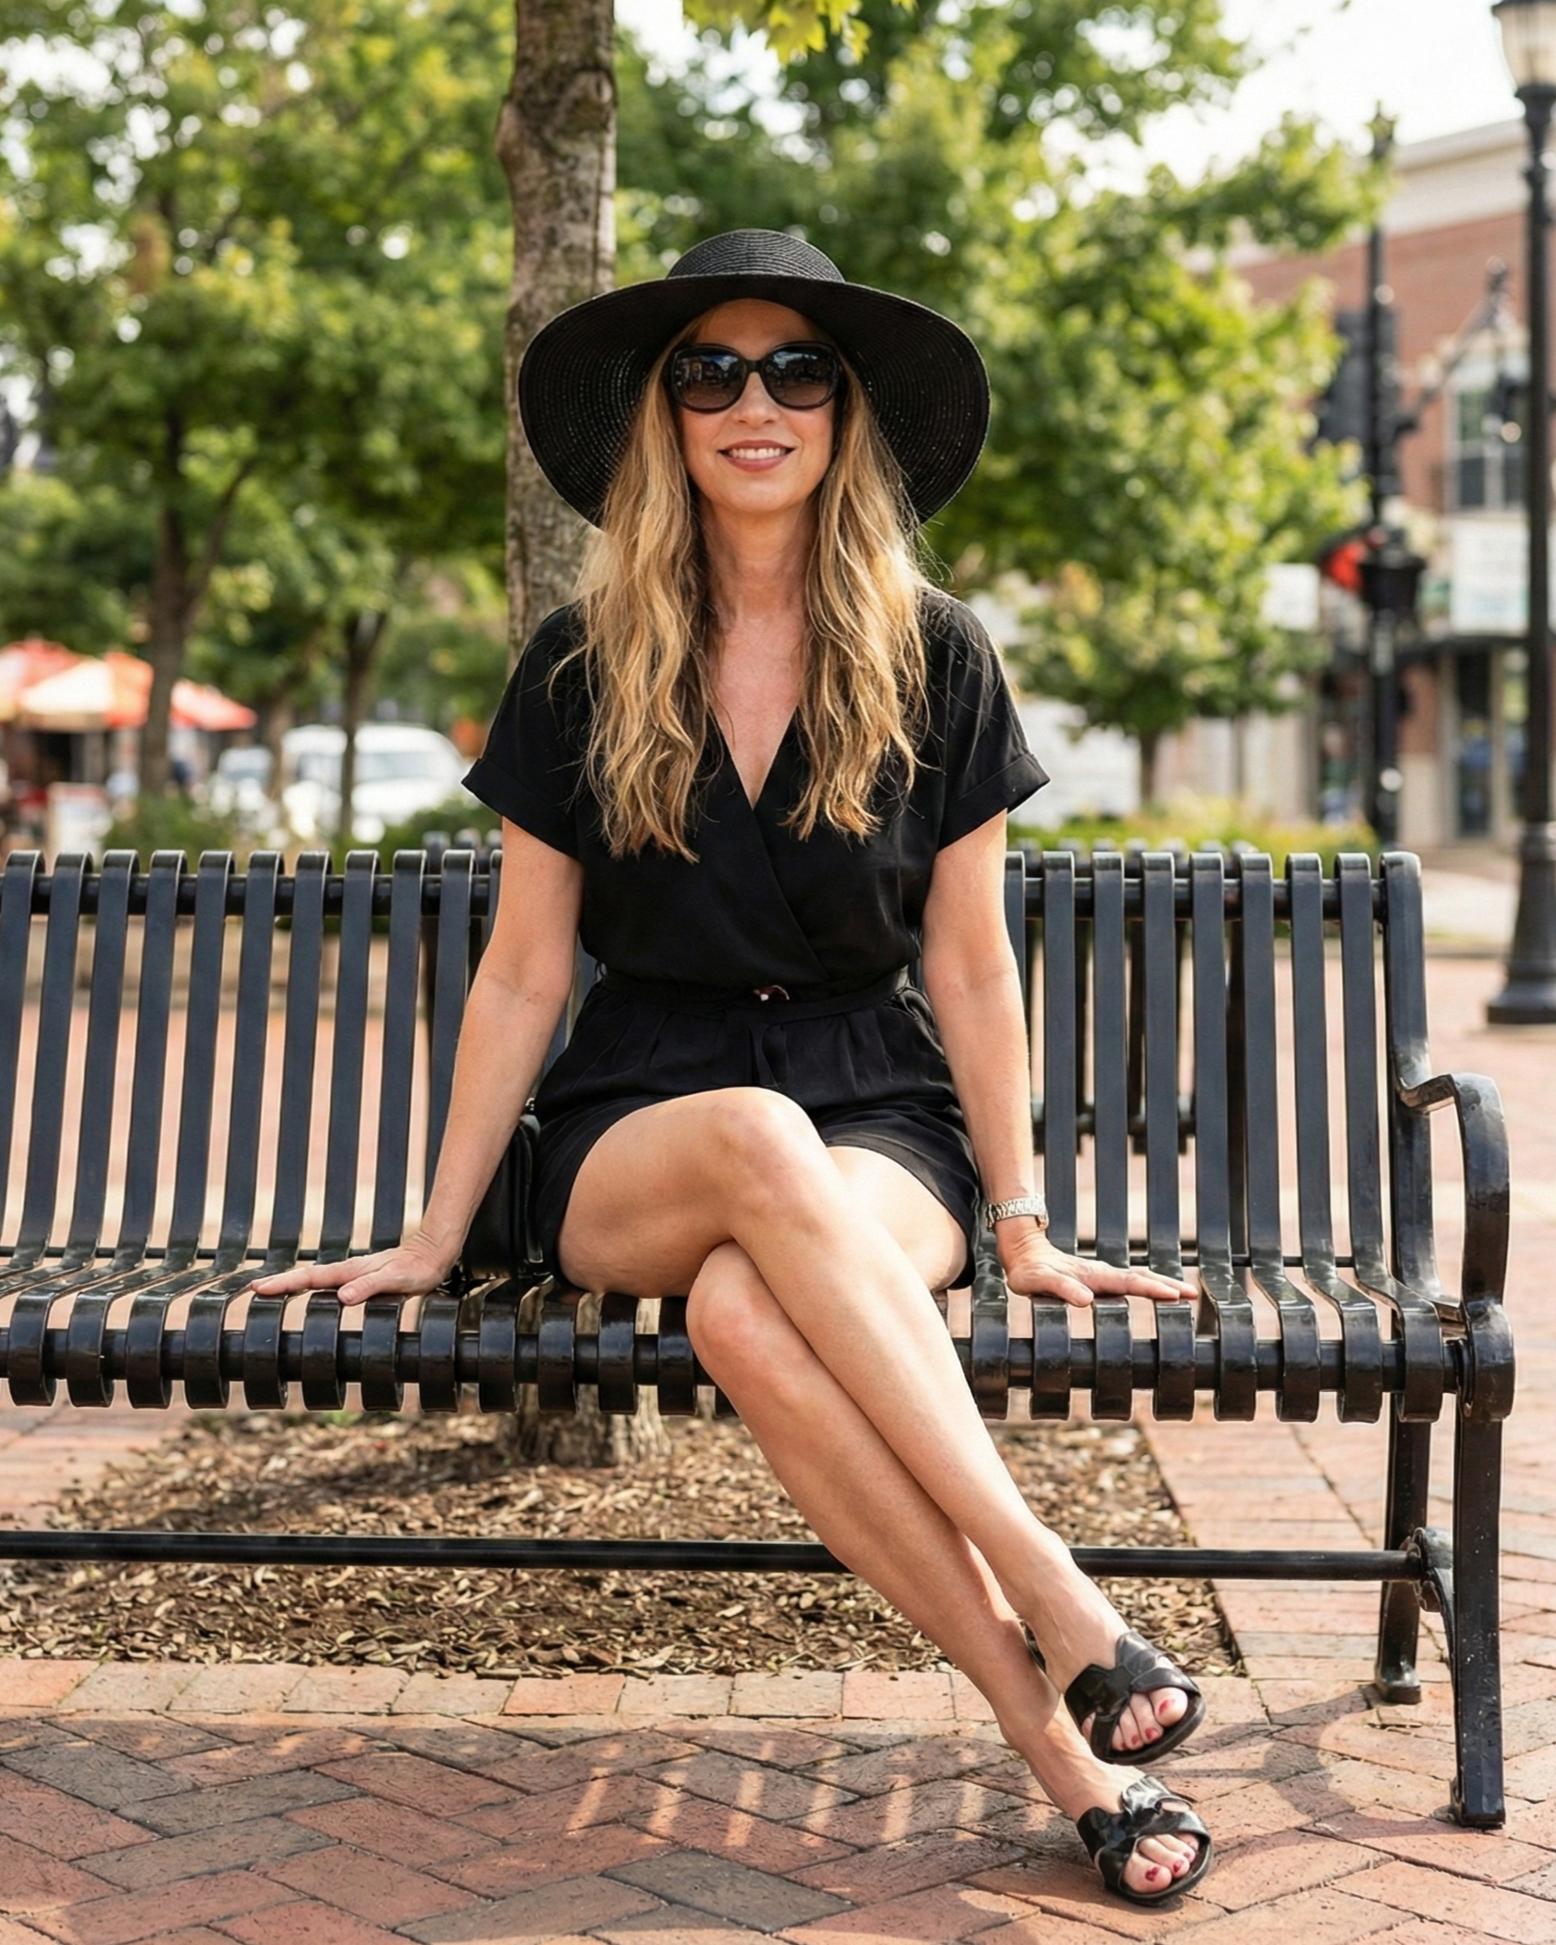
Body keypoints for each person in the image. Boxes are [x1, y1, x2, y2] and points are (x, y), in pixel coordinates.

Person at [255, 230, 1213, 1907]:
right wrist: (431, 1231)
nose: (751, 401)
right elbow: (526, 968)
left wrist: (1023, 1217)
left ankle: (1065, 1756)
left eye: (795, 371)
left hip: (877, 1108)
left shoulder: (936, 654)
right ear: (665, 419)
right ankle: (1069, 1598)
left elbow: (971, 965)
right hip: (645, 1110)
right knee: (756, 1140)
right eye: (710, 370)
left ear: (845, 417)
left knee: (749, 1313)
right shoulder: (578, 657)